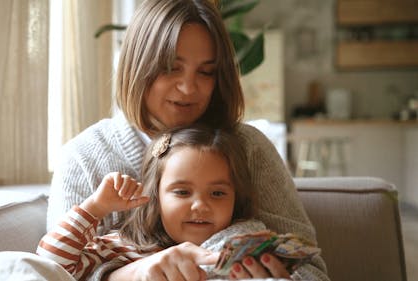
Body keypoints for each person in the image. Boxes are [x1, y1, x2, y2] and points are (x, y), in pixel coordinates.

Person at [41, 0, 330, 280]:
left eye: (206, 72)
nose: (188, 87)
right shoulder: (84, 157)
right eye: (170, 68)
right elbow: (53, 274)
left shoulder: (249, 148)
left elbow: (312, 270)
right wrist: (135, 273)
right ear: (138, 65)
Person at [38, 125, 276, 280]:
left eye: (217, 194)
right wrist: (95, 208)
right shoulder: (122, 247)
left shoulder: (249, 242)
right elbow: (50, 267)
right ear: (155, 197)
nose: (200, 205)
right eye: (182, 192)